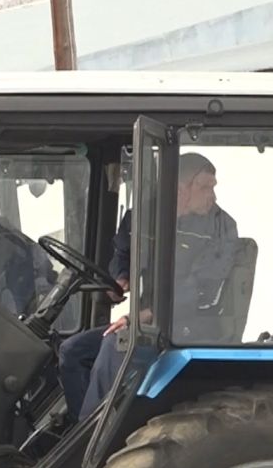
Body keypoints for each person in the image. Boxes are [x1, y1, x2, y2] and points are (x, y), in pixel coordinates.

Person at [67, 153, 239, 420]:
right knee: (73, 351)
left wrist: (142, 316)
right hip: (148, 325)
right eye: (205, 187)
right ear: (180, 190)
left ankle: (89, 444)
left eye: (213, 187)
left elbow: (202, 287)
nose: (213, 196)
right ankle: (77, 432)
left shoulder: (221, 227)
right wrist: (120, 278)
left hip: (189, 326)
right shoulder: (143, 217)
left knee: (114, 345)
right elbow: (121, 251)